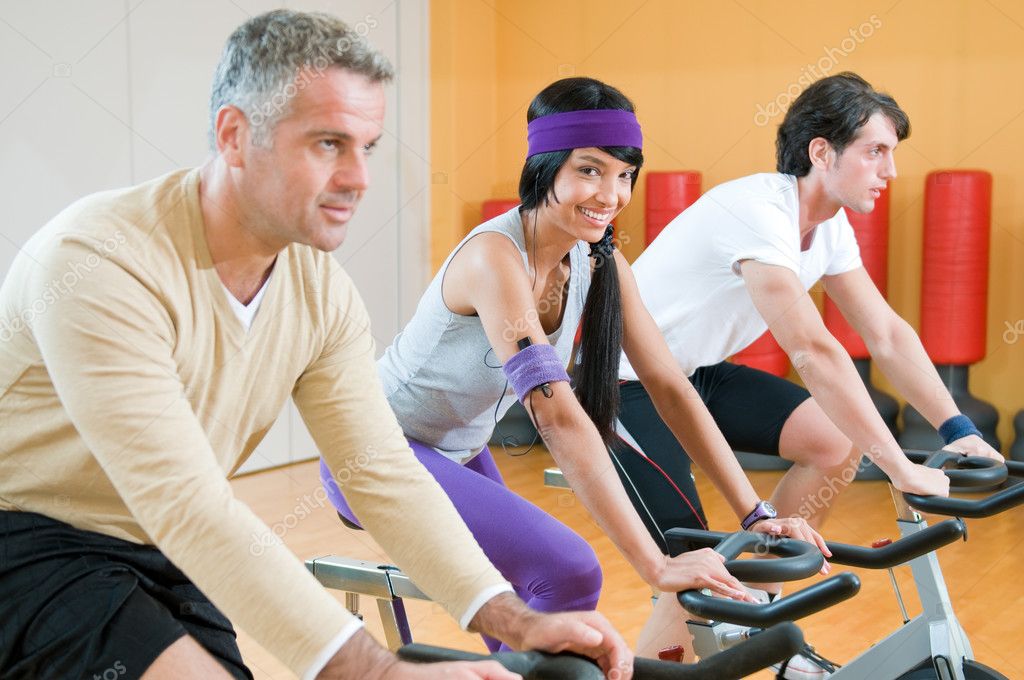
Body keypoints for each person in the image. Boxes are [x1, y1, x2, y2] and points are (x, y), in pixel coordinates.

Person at [0, 11, 633, 680]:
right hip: (30, 538)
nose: (358, 177)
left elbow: (378, 469)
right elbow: (183, 501)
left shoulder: (319, 291)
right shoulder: (100, 262)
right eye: (329, 144)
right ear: (235, 136)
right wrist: (381, 672)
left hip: (158, 547)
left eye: (367, 148)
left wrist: (514, 618)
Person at [320, 76, 828, 658]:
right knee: (569, 570)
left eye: (625, 175)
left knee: (525, 598)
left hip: (454, 449)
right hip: (371, 451)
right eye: (590, 170)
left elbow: (670, 386)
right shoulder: (494, 258)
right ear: (545, 168)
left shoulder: (599, 263)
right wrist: (656, 565)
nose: (611, 194)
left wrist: (755, 513)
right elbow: (557, 418)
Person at [611, 72, 1003, 674]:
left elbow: (886, 333)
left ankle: (756, 619)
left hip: (695, 375)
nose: (890, 171)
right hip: (623, 386)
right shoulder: (758, 212)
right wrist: (900, 468)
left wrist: (956, 430)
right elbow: (814, 352)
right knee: (698, 562)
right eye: (876, 152)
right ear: (822, 151)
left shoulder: (828, 226)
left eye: (891, 154)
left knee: (832, 440)